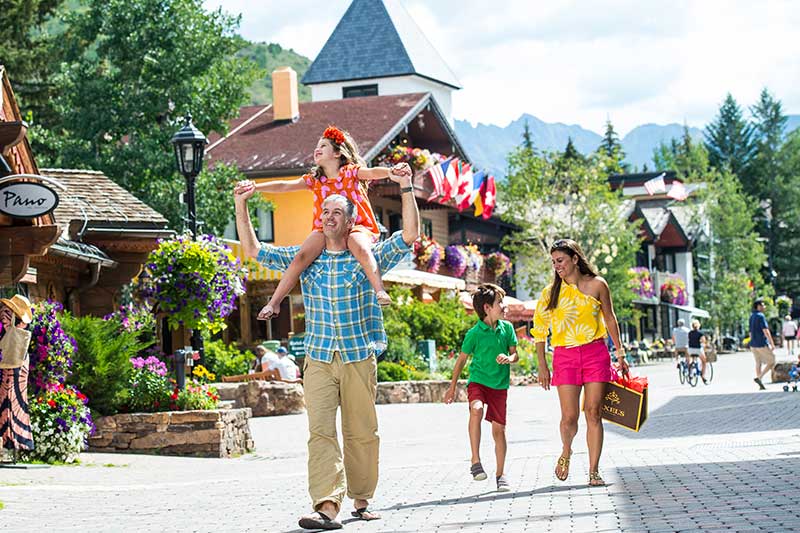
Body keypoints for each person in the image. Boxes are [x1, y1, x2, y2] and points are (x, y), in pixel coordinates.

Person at [234, 161, 417, 531]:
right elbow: (254, 251)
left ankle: (362, 498)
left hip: (357, 356)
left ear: (350, 221)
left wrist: (407, 188)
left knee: (361, 431)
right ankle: (327, 505)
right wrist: (241, 206)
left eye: (337, 212)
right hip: (317, 357)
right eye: (326, 212)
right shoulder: (308, 259)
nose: (329, 217)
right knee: (320, 431)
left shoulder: (369, 256)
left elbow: (410, 234)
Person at [238, 125, 403, 320]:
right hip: (324, 229)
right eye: (317, 146)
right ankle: (274, 303)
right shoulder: (315, 180)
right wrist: (256, 187)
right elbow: (284, 185)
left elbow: (373, 172)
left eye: (323, 146)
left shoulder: (350, 173)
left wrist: (391, 172)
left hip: (357, 225)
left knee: (360, 247)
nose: (317, 149)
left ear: (337, 153)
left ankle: (379, 290)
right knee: (300, 257)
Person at [533, 239, 628, 487]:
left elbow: (610, 318)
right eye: (553, 262)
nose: (556, 266)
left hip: (596, 353)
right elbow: (540, 331)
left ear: (575, 258)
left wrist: (620, 353)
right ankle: (566, 450)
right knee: (569, 418)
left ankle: (594, 471)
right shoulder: (549, 293)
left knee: (594, 413)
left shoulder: (598, 285)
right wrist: (542, 364)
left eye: (560, 260)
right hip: (565, 357)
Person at [444, 283, 518, 493]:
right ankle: (475, 461)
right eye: (500, 303)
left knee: (499, 430)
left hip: (499, 385)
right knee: (476, 409)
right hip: (478, 381)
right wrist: (452, 388)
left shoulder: (508, 329)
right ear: (487, 308)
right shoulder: (474, 333)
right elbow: (461, 361)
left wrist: (509, 357)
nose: (504, 306)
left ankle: (500, 474)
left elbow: (516, 355)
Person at [0, 295, 35, 455]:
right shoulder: (23, 321)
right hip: (19, 359)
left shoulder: (6, 312)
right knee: (17, 401)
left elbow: (6, 330)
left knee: (8, 400)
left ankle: (8, 440)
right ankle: (16, 441)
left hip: (10, 360)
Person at [749, 299, 775, 390]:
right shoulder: (761, 316)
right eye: (763, 305)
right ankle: (759, 378)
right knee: (772, 361)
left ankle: (760, 384)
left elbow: (750, 332)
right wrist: (772, 343)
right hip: (761, 343)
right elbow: (765, 331)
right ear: (758, 306)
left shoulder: (752, 316)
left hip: (753, 344)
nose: (764, 307)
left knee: (758, 363)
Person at [687, 319, 708, 385]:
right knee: (704, 361)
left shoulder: (690, 333)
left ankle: (690, 373)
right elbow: (703, 341)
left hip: (690, 349)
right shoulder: (700, 333)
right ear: (698, 325)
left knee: (692, 359)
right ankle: (703, 376)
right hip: (697, 349)